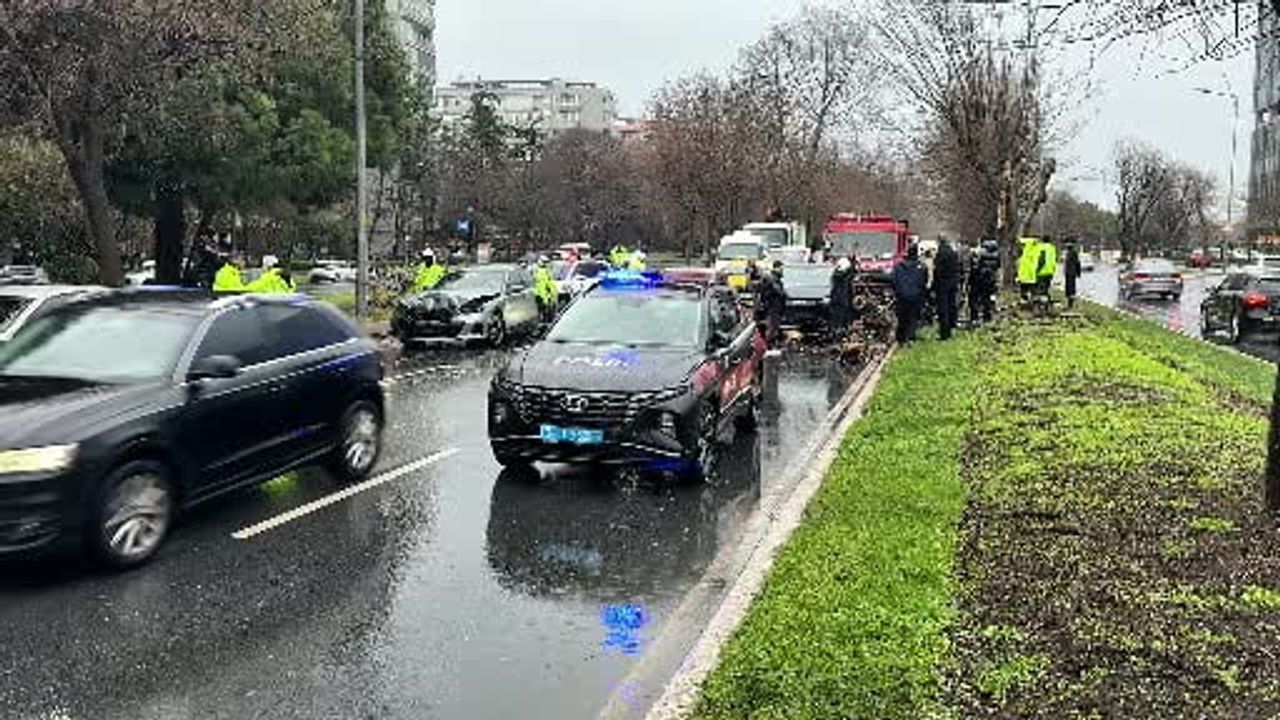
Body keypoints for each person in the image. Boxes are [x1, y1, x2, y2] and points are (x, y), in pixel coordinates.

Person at [890, 244, 928, 345]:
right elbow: (924, 281)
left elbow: (893, 280)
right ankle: (910, 338)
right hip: (916, 296)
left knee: (902, 318)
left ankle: (900, 339)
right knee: (913, 317)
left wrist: (897, 291)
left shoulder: (898, 267)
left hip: (902, 296)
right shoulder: (922, 267)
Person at [932, 237, 961, 341]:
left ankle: (944, 333)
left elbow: (937, 271)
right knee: (951, 305)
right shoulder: (953, 253)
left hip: (943, 284)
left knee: (943, 308)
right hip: (953, 283)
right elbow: (957, 268)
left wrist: (934, 286)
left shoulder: (940, 253)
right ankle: (952, 326)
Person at [755, 261, 787, 348]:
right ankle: (766, 346)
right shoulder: (772, 279)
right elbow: (779, 293)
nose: (783, 271)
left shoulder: (773, 279)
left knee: (772, 327)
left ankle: (769, 345)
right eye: (781, 268)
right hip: (773, 308)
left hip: (773, 308)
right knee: (772, 328)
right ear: (777, 268)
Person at [968, 239, 1000, 325]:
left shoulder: (980, 254)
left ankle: (974, 317)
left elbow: (975, 267)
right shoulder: (996, 256)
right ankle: (987, 317)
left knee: (974, 299)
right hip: (990, 281)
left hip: (979, 280)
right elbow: (997, 268)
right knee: (987, 299)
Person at [829, 256, 855, 336]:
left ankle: (839, 329)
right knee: (840, 316)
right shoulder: (842, 276)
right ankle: (840, 329)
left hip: (838, 300)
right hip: (841, 300)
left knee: (838, 317)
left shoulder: (835, 275)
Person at [533, 256, 559, 323]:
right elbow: (543, 285)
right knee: (544, 312)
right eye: (545, 262)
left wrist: (554, 294)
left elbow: (550, 284)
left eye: (547, 262)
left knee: (546, 313)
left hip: (544, 296)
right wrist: (547, 298)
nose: (546, 264)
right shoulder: (538, 271)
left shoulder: (546, 271)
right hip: (540, 296)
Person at [1017, 237, 1040, 303]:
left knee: (1024, 291)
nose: (1021, 246)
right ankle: (1030, 302)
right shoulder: (1035, 251)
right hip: (1031, 277)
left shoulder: (1027, 252)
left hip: (1025, 277)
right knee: (1031, 292)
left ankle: (1026, 302)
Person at [1036, 235, 1058, 302]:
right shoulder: (1052, 248)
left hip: (1042, 272)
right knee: (1046, 288)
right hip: (1050, 272)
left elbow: (1041, 260)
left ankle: (1043, 305)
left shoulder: (1041, 248)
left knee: (1041, 290)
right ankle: (1046, 304)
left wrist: (1037, 270)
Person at [1064, 241, 1083, 309]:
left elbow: (1077, 263)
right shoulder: (1068, 253)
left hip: (1071, 273)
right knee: (1069, 289)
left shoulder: (1073, 253)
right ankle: (1069, 303)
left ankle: (1070, 304)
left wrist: (1078, 272)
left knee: (1071, 289)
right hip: (1069, 273)